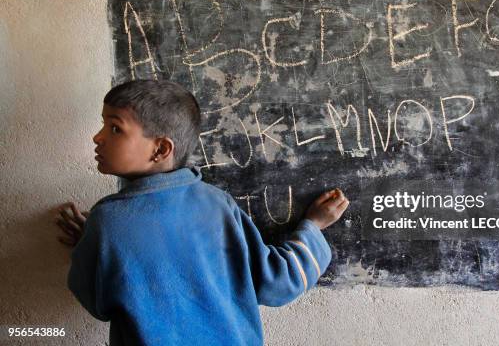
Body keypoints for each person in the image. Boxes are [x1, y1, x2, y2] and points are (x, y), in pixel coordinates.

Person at [55, 79, 349, 345]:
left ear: (160, 150)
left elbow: (98, 303)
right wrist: (313, 225)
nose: (98, 137)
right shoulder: (217, 204)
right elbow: (277, 282)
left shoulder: (106, 221)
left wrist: (90, 245)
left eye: (115, 128)